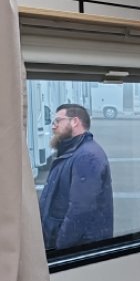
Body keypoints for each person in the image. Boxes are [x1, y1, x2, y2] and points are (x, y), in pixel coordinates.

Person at [39, 103, 114, 251]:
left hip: (80, 249)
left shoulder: (87, 156)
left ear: (74, 121)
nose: (53, 126)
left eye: (57, 121)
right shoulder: (72, 152)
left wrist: (61, 248)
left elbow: (80, 211)